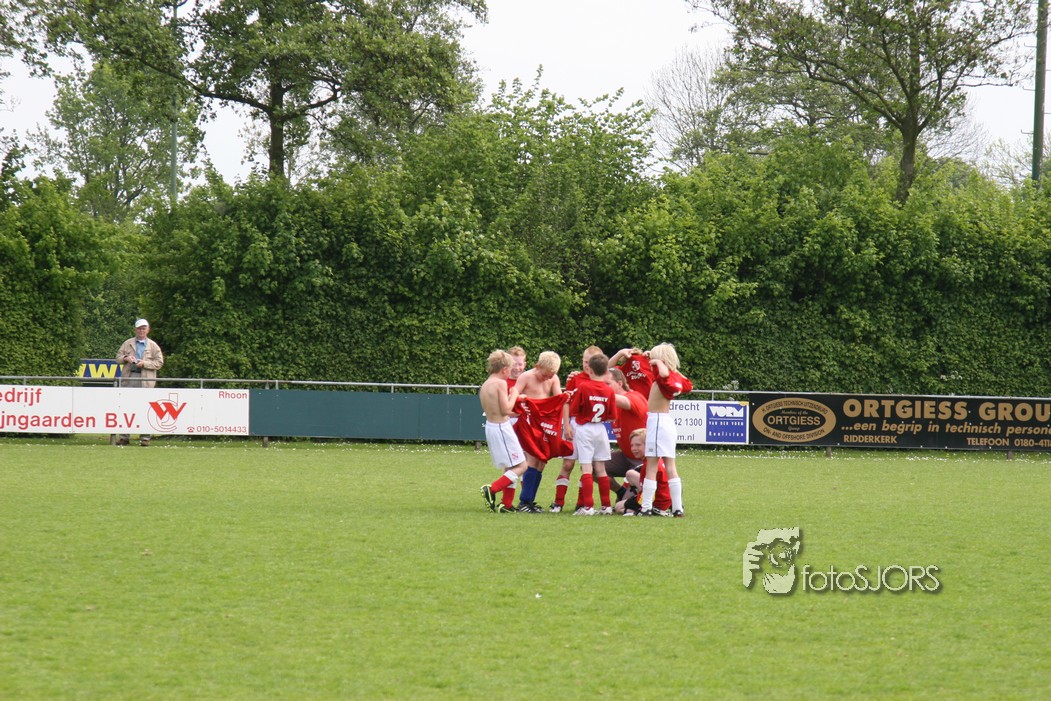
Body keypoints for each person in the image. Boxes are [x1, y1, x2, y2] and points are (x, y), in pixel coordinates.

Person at [638, 343, 692, 517]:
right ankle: (677, 507)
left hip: (658, 421)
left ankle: (646, 507)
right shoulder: (673, 378)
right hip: (666, 422)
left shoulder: (663, 377)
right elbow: (687, 384)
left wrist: (658, 362)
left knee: (652, 466)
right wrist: (662, 363)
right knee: (670, 466)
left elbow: (663, 373)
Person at [549, 345, 603, 512]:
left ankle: (581, 503)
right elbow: (566, 402)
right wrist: (566, 425)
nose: (586, 365)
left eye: (590, 362)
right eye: (584, 361)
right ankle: (558, 502)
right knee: (568, 464)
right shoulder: (576, 378)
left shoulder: (602, 378)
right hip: (574, 424)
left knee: (586, 466)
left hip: (591, 426)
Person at [567, 352, 618, 515]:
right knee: (601, 468)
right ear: (606, 371)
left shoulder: (584, 387)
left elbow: (574, 409)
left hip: (585, 427)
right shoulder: (609, 390)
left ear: (589, 369)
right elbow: (612, 416)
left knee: (587, 468)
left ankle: (588, 506)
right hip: (600, 429)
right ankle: (606, 506)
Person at [512, 351, 563, 511]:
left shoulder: (553, 378)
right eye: (544, 375)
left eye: (550, 376)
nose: (547, 379)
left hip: (544, 424)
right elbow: (513, 395)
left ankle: (530, 501)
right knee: (533, 459)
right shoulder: (526, 377)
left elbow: (559, 400)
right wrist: (522, 403)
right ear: (537, 366)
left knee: (541, 462)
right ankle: (524, 502)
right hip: (529, 422)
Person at [479, 350, 529, 514]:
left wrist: (516, 401)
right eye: (510, 369)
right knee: (522, 465)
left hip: (492, 426)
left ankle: (506, 505)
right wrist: (514, 394)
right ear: (504, 369)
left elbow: (497, 408)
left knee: (511, 466)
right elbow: (506, 409)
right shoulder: (500, 383)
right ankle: (492, 489)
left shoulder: (487, 383)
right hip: (501, 427)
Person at [115, 318, 164, 446]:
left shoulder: (153, 346)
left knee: (146, 409)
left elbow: (159, 363)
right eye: (139, 328)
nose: (141, 331)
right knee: (126, 408)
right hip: (129, 378)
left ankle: (145, 438)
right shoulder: (127, 343)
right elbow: (118, 358)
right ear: (135, 330)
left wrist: (144, 364)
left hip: (146, 380)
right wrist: (126, 358)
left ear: (148, 330)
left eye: (143, 328)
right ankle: (124, 437)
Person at [605, 367, 648, 492]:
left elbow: (625, 401)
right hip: (626, 456)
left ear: (620, 383)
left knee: (627, 504)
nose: (604, 388)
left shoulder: (635, 397)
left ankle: (635, 494)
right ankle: (621, 492)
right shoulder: (611, 403)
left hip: (643, 460)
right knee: (593, 465)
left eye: (607, 384)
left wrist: (598, 391)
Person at [614, 429, 672, 516]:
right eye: (632, 445)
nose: (634, 448)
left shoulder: (649, 466)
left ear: (648, 446)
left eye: (638, 445)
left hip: (657, 501)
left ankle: (642, 511)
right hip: (665, 499)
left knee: (618, 507)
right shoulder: (659, 460)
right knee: (630, 474)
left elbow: (650, 490)